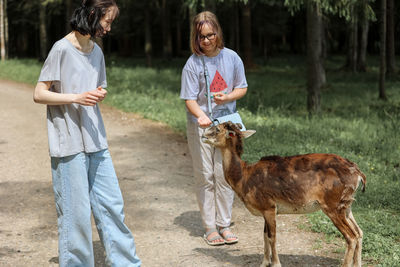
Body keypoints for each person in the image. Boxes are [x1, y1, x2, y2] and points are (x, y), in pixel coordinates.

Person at [33, 0, 141, 266]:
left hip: (96, 140)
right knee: (76, 214)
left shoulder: (97, 52)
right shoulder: (61, 48)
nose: (109, 28)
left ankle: (126, 263)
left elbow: (97, 87)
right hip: (68, 142)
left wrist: (97, 94)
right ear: (93, 15)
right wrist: (76, 97)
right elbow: (39, 93)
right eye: (108, 21)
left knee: (112, 206)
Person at [180, 11, 248, 246]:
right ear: (195, 38)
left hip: (226, 125)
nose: (207, 41)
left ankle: (225, 224)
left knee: (224, 174)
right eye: (201, 37)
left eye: (211, 35)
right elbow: (189, 99)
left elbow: (242, 88)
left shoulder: (232, 58)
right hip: (201, 127)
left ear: (218, 32)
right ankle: (210, 227)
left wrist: (227, 97)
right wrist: (201, 116)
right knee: (206, 175)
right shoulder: (192, 64)